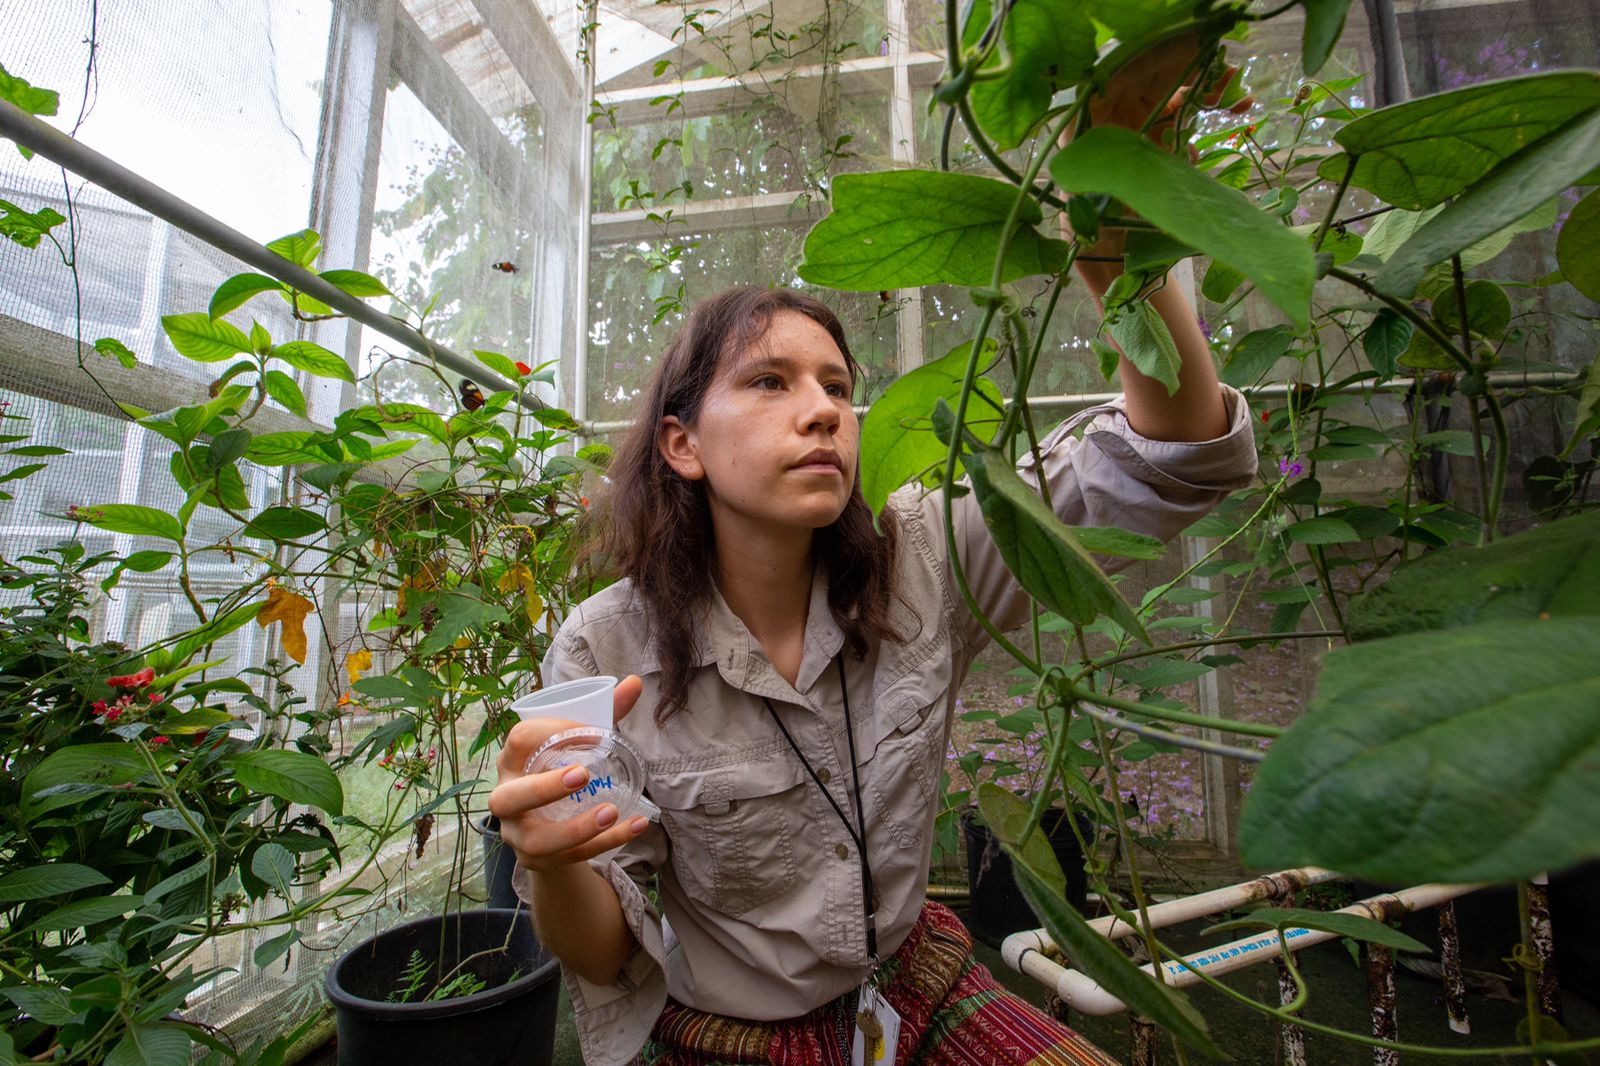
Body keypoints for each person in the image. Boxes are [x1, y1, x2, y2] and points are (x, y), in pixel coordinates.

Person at [488, 41, 1258, 1066]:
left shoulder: (927, 554)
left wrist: (1119, 244)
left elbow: (1175, 458)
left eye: (838, 387)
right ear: (681, 444)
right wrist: (548, 861)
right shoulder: (603, 651)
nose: (821, 410)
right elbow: (600, 953)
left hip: (914, 981)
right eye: (769, 383)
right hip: (732, 1032)